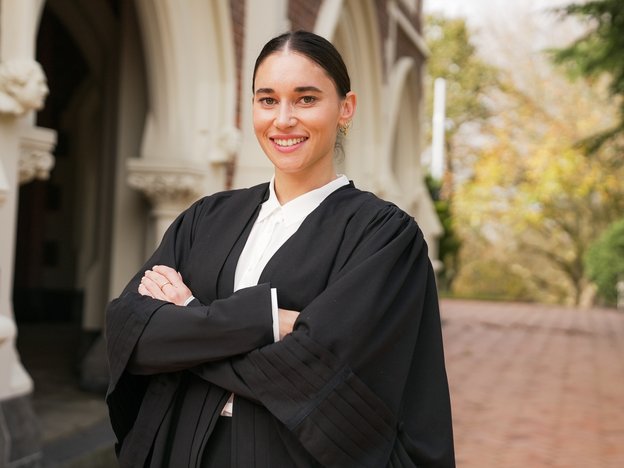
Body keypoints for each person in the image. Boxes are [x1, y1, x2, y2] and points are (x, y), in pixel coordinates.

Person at [105, 30, 455, 467]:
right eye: (267, 100)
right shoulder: (207, 218)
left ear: (346, 108)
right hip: (183, 450)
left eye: (306, 99)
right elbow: (131, 335)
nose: (283, 119)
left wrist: (190, 319)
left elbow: (316, 375)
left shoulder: (382, 236)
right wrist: (268, 321)